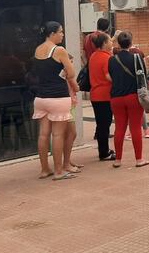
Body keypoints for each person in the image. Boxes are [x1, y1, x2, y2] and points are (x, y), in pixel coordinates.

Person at [32, 22, 80, 180]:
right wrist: (66, 71)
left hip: (40, 98)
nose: (63, 35)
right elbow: (71, 73)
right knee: (58, 134)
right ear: (52, 33)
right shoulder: (59, 50)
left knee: (43, 134)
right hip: (58, 97)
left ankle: (44, 169)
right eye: (60, 32)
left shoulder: (38, 49)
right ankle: (59, 170)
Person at [108, 31, 149, 168]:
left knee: (119, 127)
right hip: (133, 96)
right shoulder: (137, 58)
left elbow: (112, 76)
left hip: (116, 97)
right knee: (135, 127)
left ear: (118, 43)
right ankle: (139, 159)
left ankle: (118, 160)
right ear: (131, 43)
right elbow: (143, 75)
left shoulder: (112, 59)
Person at [89, 32, 116, 161]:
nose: (112, 43)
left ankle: (103, 150)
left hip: (95, 94)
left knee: (101, 124)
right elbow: (108, 76)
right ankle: (104, 153)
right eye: (110, 41)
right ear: (104, 43)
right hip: (105, 95)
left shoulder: (93, 56)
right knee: (105, 125)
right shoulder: (106, 58)